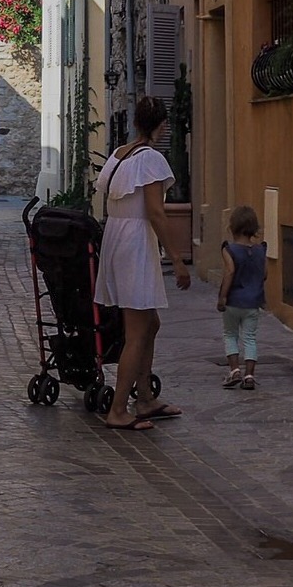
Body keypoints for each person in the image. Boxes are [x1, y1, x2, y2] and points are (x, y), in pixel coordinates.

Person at [95, 94, 193, 430]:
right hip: (135, 243)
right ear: (162, 125)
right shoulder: (150, 159)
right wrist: (177, 259)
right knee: (136, 332)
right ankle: (119, 409)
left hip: (117, 238)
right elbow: (155, 211)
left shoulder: (118, 155)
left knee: (150, 324)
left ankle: (146, 396)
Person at [216, 205, 269, 390]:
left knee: (230, 334)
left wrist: (222, 296)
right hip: (253, 302)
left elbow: (230, 272)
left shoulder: (228, 249)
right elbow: (264, 274)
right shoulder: (261, 250)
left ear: (232, 227)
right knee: (250, 337)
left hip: (233, 300)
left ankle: (234, 370)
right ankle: (249, 375)